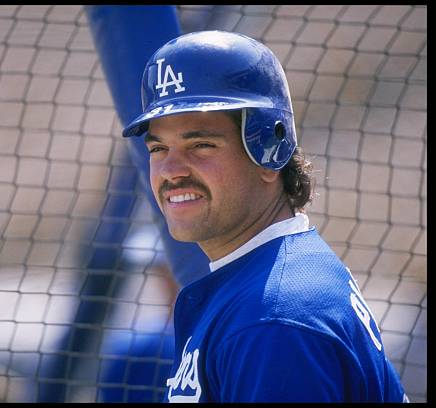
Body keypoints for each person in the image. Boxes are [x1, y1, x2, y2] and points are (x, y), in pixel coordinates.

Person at [121, 30, 408, 403]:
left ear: (268, 149)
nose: (172, 170)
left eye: (201, 145)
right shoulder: (272, 278)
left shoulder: (272, 319)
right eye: (158, 148)